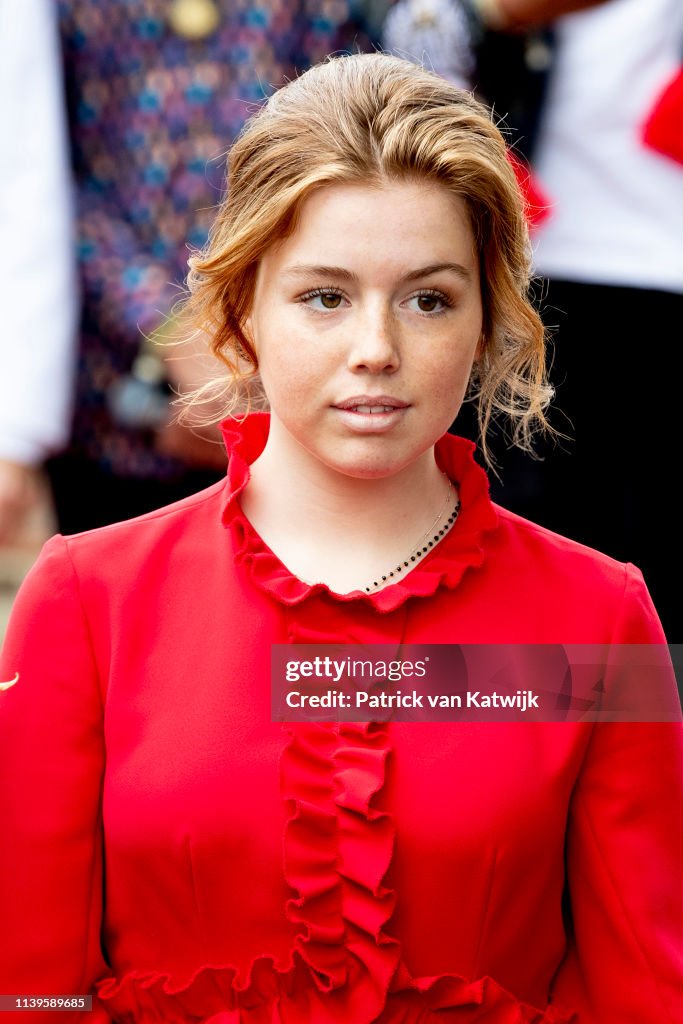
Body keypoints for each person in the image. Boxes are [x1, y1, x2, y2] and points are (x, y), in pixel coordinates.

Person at [1, 53, 681, 1024]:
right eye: (323, 295)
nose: (375, 348)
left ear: (487, 321)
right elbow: (31, 989)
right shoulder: (85, 601)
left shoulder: (599, 621)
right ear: (239, 311)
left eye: (428, 298)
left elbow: (646, 994)